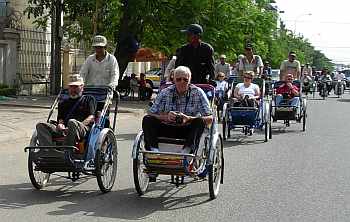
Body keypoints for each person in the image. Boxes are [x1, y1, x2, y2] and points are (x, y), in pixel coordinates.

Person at [142, 66, 213, 155]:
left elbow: (210, 118)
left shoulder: (198, 93)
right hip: (167, 127)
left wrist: (189, 118)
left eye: (185, 80)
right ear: (174, 80)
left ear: (189, 80)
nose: (182, 82)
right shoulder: (165, 92)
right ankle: (154, 151)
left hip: (188, 129)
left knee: (200, 121)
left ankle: (186, 152)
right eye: (179, 79)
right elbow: (151, 113)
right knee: (147, 119)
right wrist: (166, 117)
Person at [35, 74, 96, 149]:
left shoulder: (89, 99)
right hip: (64, 129)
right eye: (71, 87)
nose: (73, 90)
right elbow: (61, 118)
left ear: (82, 87)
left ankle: (66, 150)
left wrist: (79, 125)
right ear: (68, 88)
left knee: (72, 122)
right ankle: (48, 151)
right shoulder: (63, 102)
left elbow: (91, 116)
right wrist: (60, 125)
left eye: (76, 87)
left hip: (82, 128)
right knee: (40, 125)